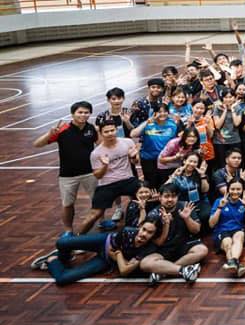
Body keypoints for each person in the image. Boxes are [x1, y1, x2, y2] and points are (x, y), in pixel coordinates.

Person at [33, 101, 98, 235]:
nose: (83, 115)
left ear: (90, 114)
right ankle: (68, 230)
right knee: (68, 204)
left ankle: (101, 222)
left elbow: (102, 144)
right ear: (72, 114)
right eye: (80, 112)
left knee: (98, 201)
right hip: (67, 174)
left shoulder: (92, 129)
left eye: (86, 112)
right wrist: (49, 134)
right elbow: (37, 144)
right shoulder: (62, 130)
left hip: (90, 172)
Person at [30, 220, 160, 286]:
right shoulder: (127, 231)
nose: (144, 234)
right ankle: (64, 257)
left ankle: (52, 260)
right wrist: (121, 259)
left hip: (106, 261)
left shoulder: (148, 249)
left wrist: (118, 255)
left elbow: (124, 271)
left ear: (154, 236)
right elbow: (114, 253)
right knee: (61, 242)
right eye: (143, 229)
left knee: (62, 279)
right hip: (103, 241)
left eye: (149, 233)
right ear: (139, 227)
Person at [77, 121, 140, 235]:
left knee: (146, 198)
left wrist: (134, 157)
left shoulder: (127, 142)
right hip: (107, 184)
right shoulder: (96, 153)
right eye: (106, 132)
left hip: (128, 179)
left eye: (112, 130)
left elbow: (135, 162)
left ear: (116, 130)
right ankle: (76, 239)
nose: (110, 133)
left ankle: (145, 229)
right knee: (94, 214)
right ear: (101, 133)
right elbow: (98, 175)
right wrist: (105, 165)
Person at [141, 184, 209, 285]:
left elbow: (196, 230)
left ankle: (163, 272)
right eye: (166, 196)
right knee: (144, 264)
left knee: (202, 250)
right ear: (160, 197)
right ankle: (184, 270)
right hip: (164, 249)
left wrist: (187, 218)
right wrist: (166, 225)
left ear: (177, 197)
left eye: (173, 196)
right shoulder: (153, 214)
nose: (170, 199)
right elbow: (159, 243)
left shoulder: (185, 206)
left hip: (184, 244)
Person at [209, 181, 245, 277]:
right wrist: (220, 207)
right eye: (232, 189)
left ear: (242, 190)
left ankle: (232, 263)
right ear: (228, 190)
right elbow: (211, 224)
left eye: (238, 189)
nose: (235, 192)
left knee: (239, 236)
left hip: (238, 230)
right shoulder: (219, 201)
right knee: (228, 242)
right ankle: (237, 265)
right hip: (222, 231)